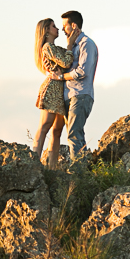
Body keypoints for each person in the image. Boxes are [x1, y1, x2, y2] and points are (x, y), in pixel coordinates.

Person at [47, 10, 98, 158]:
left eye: (65, 26)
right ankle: (82, 171)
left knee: (74, 135)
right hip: (70, 96)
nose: (62, 29)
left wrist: (61, 77)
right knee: (75, 135)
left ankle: (78, 175)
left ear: (74, 25)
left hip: (80, 95)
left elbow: (83, 71)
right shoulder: (72, 46)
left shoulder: (86, 44)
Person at [32, 18, 76, 168]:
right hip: (52, 91)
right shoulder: (47, 47)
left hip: (60, 92)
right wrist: (69, 46)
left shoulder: (54, 48)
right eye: (53, 26)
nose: (57, 29)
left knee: (57, 131)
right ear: (46, 30)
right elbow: (66, 62)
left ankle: (52, 168)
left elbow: (68, 58)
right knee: (45, 127)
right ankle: (34, 163)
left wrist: (70, 46)